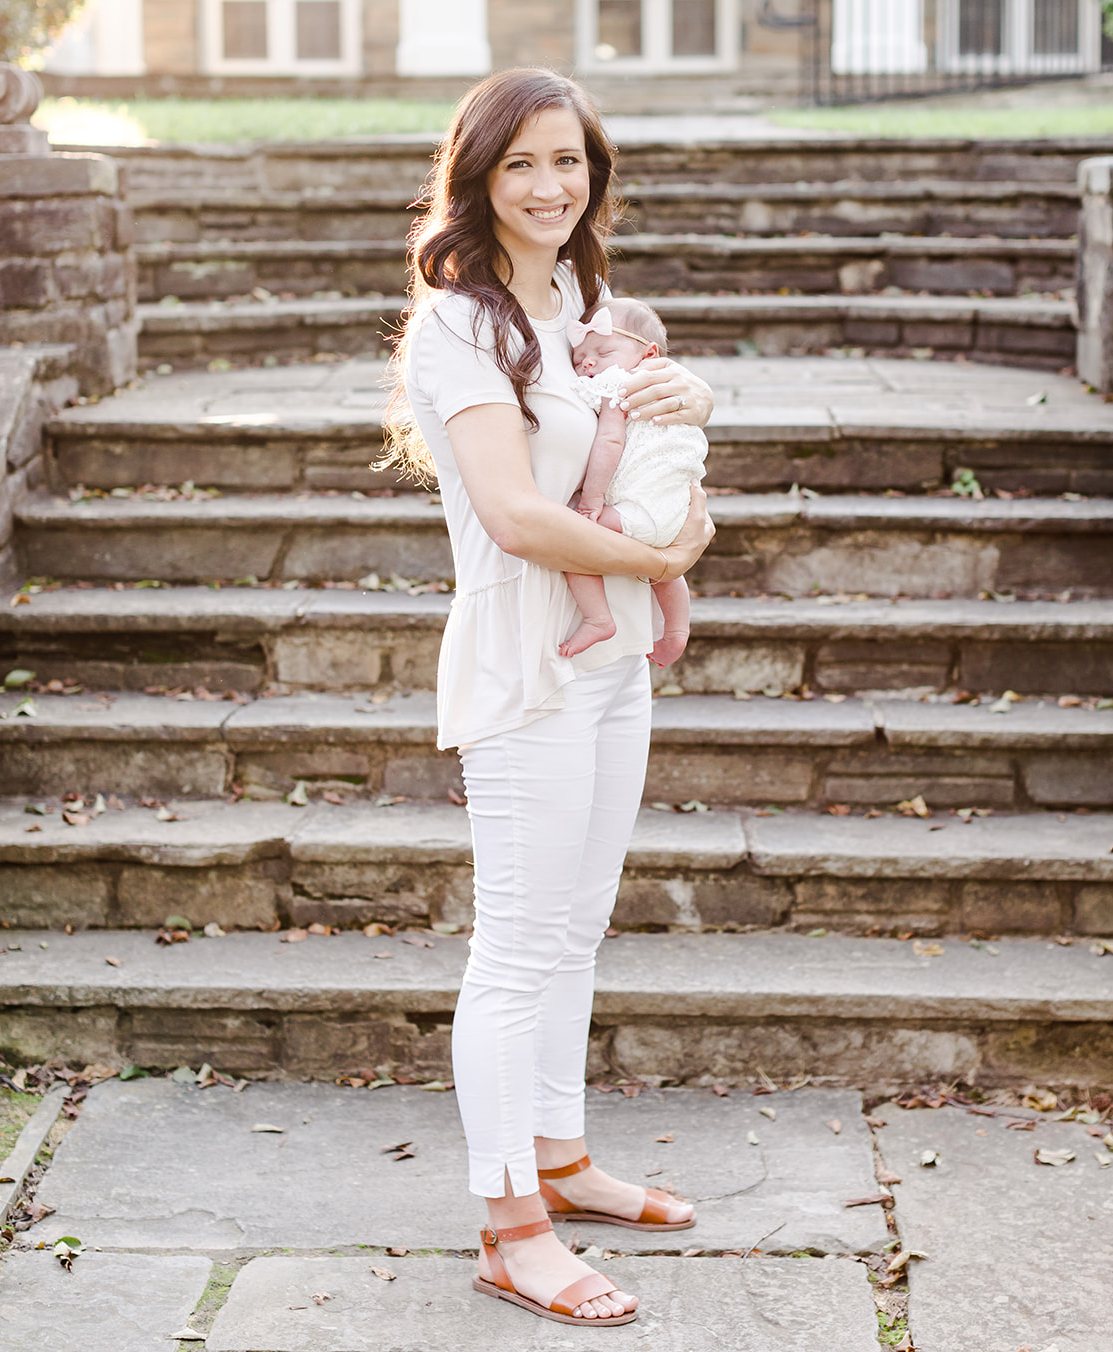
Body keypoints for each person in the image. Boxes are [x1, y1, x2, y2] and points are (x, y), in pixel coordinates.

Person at [383, 66, 715, 1326]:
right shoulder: (456, 323)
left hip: (612, 653)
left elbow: (630, 452)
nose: (547, 185)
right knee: (516, 946)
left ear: (594, 171)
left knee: (577, 928)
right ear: (476, 178)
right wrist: (662, 559)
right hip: (526, 657)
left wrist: (692, 408)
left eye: (567, 160)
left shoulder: (581, 297)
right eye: (519, 163)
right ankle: (507, 1224)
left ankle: (563, 1160)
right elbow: (520, 518)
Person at [560, 297, 707, 665]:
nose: (589, 361)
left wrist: (591, 500)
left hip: (637, 509)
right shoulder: (665, 392)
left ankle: (598, 618)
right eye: (579, 358)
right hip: (676, 511)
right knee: (663, 571)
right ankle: (676, 632)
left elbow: (610, 442)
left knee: (571, 540)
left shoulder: (618, 386)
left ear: (649, 354)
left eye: (604, 351)